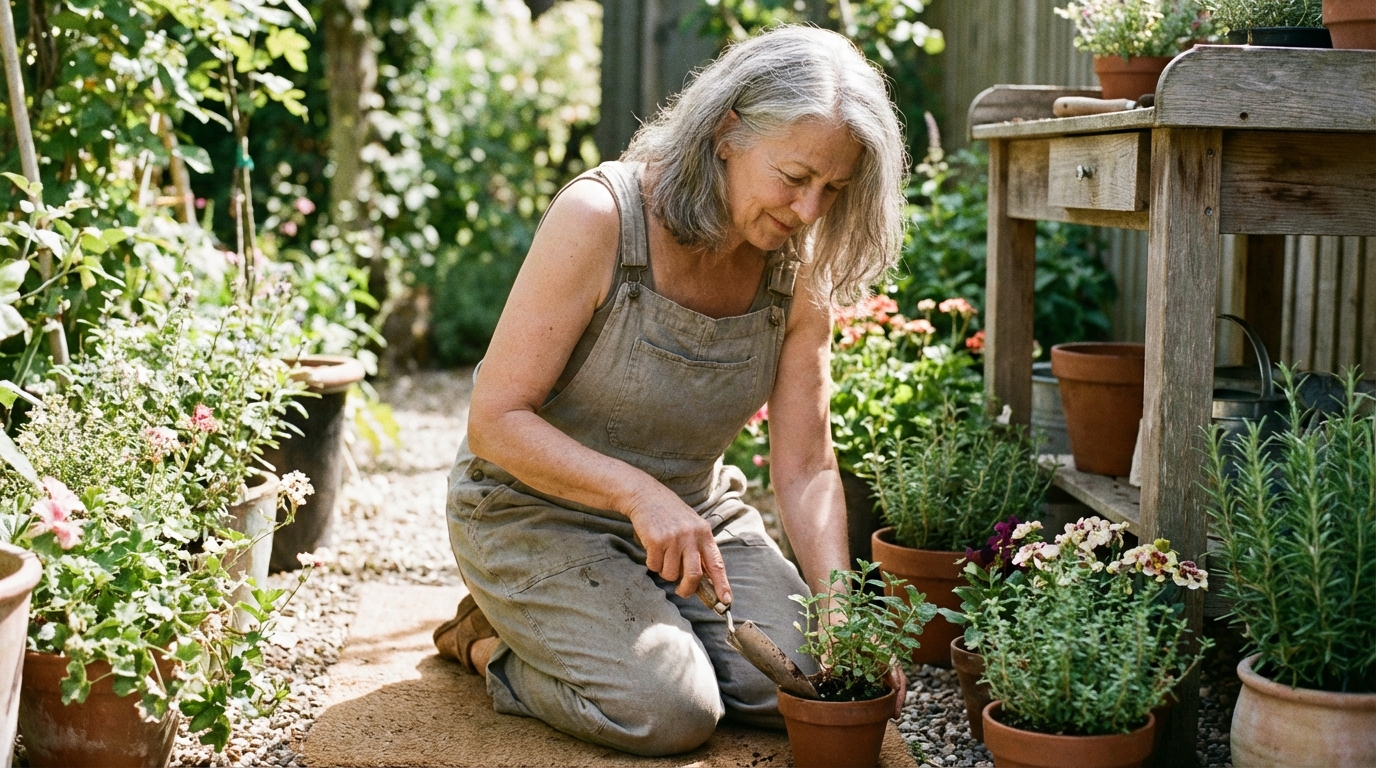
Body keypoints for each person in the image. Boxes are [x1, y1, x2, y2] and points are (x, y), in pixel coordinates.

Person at [435, 25, 908, 757]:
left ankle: (616, 618)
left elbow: (807, 464)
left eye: (834, 189)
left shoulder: (797, 263)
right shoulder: (601, 218)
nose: (810, 211)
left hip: (694, 516)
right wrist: (636, 494)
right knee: (671, 710)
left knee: (812, 681)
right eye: (794, 176)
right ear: (727, 131)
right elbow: (496, 421)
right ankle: (488, 640)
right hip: (530, 509)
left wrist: (839, 611)